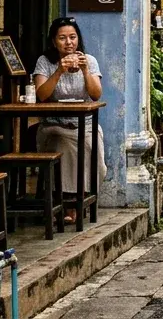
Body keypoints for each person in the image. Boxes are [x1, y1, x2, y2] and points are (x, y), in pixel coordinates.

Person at [33, 17, 107, 224]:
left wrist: (84, 70)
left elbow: (95, 95)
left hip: (85, 125)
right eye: (63, 38)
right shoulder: (44, 62)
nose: (68, 43)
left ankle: (80, 201)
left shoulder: (89, 61)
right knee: (62, 143)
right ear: (54, 41)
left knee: (91, 148)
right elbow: (42, 95)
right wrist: (59, 71)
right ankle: (67, 205)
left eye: (72, 37)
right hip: (54, 124)